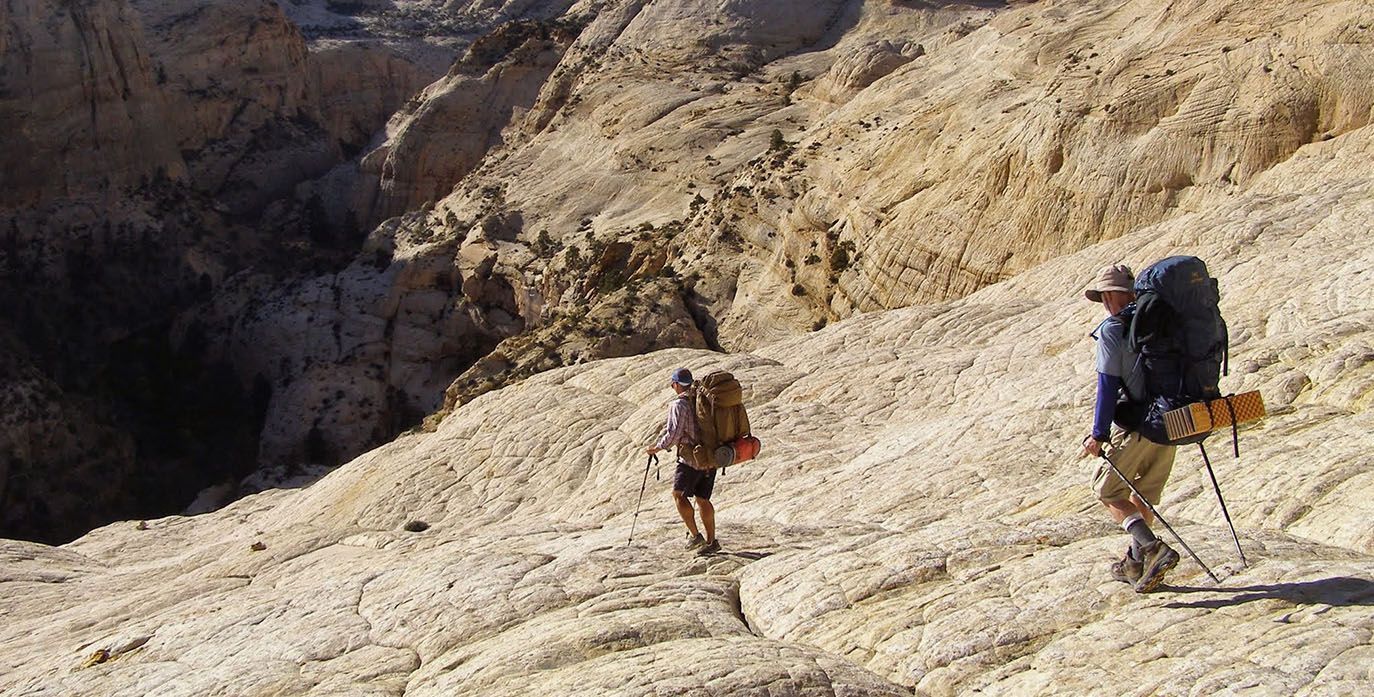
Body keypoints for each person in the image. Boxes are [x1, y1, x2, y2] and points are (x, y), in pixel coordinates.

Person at [1080, 264, 1181, 592]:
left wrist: (1099, 433)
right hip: (1175, 420)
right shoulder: (1162, 321)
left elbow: (1107, 385)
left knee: (1107, 491)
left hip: (1139, 422)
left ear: (1109, 297)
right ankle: (1136, 565)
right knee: (1145, 495)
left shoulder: (1113, 329)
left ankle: (1151, 549)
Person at [645, 367, 720, 555]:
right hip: (711, 455)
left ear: (676, 384)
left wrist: (658, 448)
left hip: (691, 458)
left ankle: (695, 536)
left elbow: (674, 433)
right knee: (703, 499)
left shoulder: (679, 405)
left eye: (673, 383)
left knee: (678, 495)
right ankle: (711, 542)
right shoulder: (701, 398)